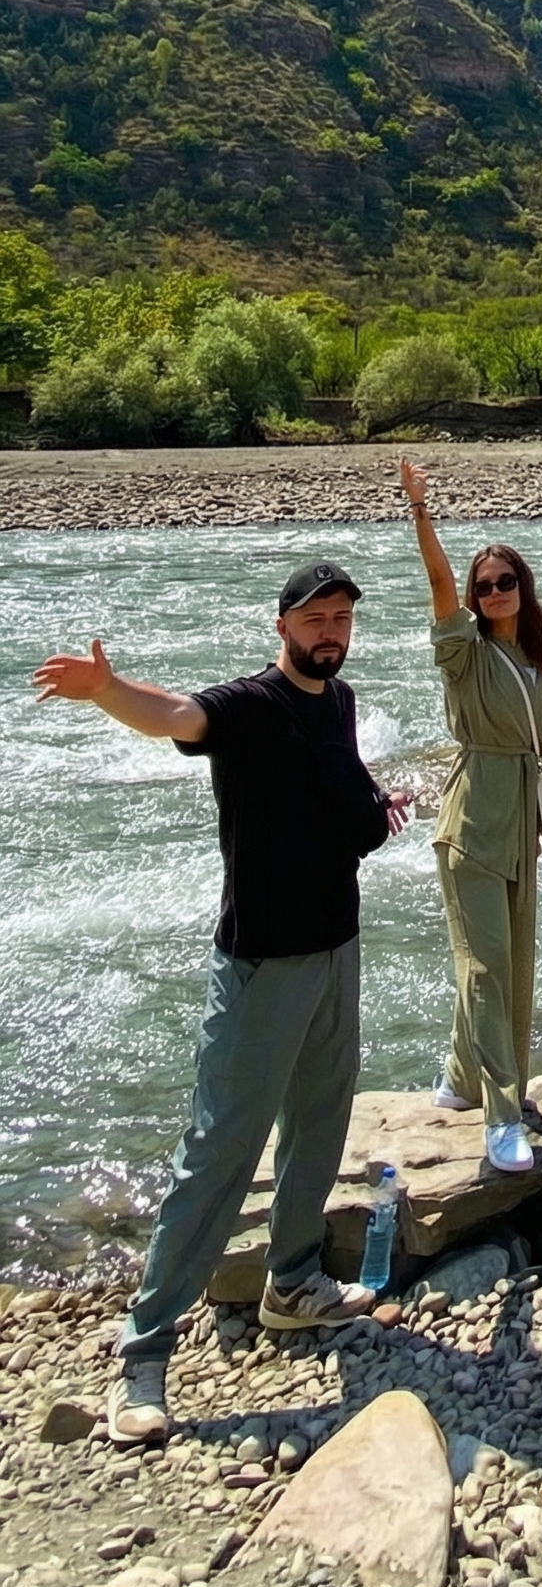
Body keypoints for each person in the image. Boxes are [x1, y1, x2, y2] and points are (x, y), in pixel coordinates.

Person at [32, 560, 409, 1450]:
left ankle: (292, 1283)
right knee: (220, 1152)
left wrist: (379, 803)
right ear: (281, 625)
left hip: (335, 949)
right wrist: (107, 689)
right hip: (259, 966)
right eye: (317, 617)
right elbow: (178, 716)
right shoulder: (247, 704)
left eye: (343, 618)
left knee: (320, 1123)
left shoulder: (339, 702)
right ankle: (145, 1352)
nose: (331, 631)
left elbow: (337, 794)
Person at [400, 459, 542, 1173]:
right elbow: (438, 586)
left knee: (514, 966)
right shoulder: (463, 654)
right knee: (484, 968)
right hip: (471, 823)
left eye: (506, 583)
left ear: (522, 591)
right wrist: (419, 512)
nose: (494, 592)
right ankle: (502, 1117)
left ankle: (462, 1078)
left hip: (522, 830)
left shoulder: (537, 666)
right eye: (484, 586)